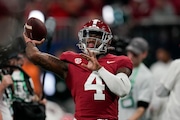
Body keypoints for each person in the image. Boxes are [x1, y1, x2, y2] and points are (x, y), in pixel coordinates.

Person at [23, 19, 133, 119]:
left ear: (107, 40)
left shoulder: (119, 61)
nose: (90, 39)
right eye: (88, 34)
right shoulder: (73, 61)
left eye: (96, 35)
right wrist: (30, 42)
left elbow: (123, 90)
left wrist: (99, 69)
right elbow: (35, 56)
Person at [118, 37, 153, 120]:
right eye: (130, 52)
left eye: (135, 54)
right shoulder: (119, 68)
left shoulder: (147, 76)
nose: (131, 56)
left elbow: (142, 107)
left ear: (144, 54)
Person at [148, 46, 172, 120]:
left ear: (167, 53)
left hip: (170, 99)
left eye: (161, 53)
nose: (159, 55)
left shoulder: (174, 65)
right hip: (156, 98)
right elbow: (151, 85)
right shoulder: (155, 67)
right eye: (158, 53)